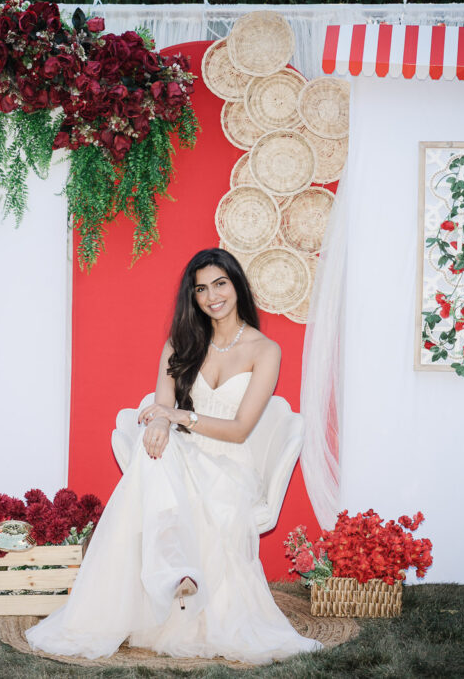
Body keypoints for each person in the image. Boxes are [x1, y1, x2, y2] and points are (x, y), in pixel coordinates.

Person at [25, 248, 322, 664]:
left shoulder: (264, 350)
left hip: (229, 465)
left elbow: (239, 430)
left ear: (236, 285)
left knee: (158, 457)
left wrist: (174, 415)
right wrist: (162, 423)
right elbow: (159, 408)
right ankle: (178, 573)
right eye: (201, 288)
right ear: (193, 297)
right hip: (180, 454)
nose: (211, 295)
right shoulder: (179, 344)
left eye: (220, 283)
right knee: (156, 450)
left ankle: (172, 571)